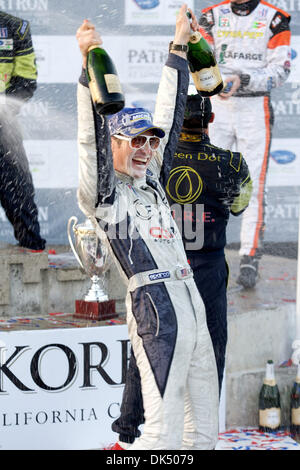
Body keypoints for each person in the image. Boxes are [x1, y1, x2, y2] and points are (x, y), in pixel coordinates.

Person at [76, 5, 219, 450]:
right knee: (163, 432)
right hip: (157, 313)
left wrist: (178, 44)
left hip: (192, 300)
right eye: (135, 140)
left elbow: (171, 114)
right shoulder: (104, 196)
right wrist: (88, 75)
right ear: (114, 143)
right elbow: (90, 142)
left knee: (206, 432)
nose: (146, 148)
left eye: (150, 140)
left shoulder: (152, 178)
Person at [110, 91, 252, 450]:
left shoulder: (158, 162)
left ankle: (126, 433)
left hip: (163, 268)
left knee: (149, 351)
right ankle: (199, 434)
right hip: (206, 271)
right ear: (211, 120)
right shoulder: (231, 163)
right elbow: (240, 204)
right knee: (210, 354)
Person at [198, 0, 291, 288]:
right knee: (210, 181)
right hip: (219, 106)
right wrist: (216, 82)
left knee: (252, 184)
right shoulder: (211, 16)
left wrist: (245, 79)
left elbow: (281, 71)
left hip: (255, 108)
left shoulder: (275, 18)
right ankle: (206, 249)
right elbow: (200, 59)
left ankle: (250, 256)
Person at [0, 11, 46, 251]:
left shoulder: (15, 28)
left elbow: (26, 79)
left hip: (3, 125)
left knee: (20, 195)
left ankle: (34, 255)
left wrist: (5, 104)